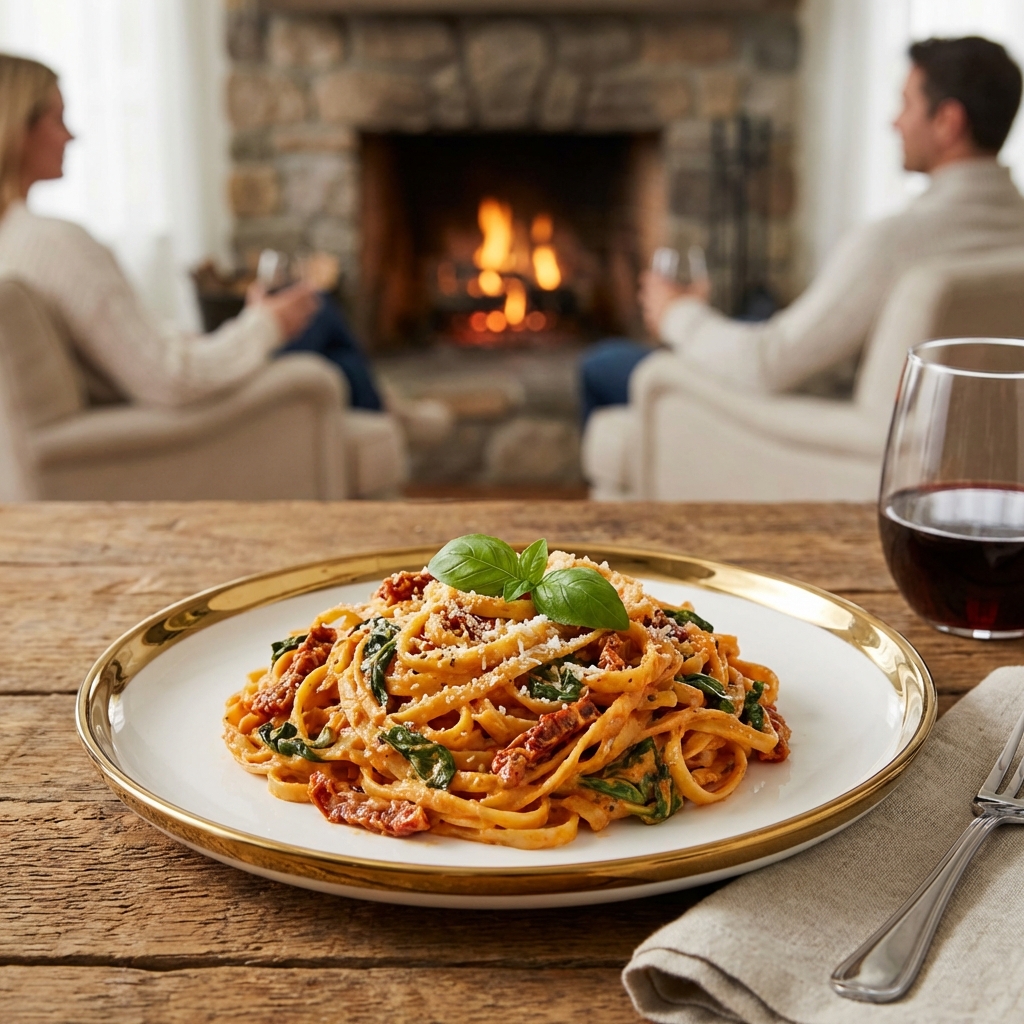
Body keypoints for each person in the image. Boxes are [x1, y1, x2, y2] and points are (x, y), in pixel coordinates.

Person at [581, 36, 1024, 421]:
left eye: (907, 104)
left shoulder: (894, 243)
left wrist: (675, 313)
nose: (895, 122)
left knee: (603, 363)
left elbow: (767, 366)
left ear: (948, 121)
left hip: (808, 425)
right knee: (754, 315)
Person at [0, 53, 384, 411]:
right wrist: (266, 323)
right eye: (57, 120)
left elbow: (133, 351)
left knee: (338, 359)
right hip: (183, 413)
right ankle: (398, 429)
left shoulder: (16, 241)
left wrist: (211, 336)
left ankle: (395, 424)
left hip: (158, 390)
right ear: (17, 128)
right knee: (318, 312)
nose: (71, 136)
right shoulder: (52, 244)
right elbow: (170, 380)